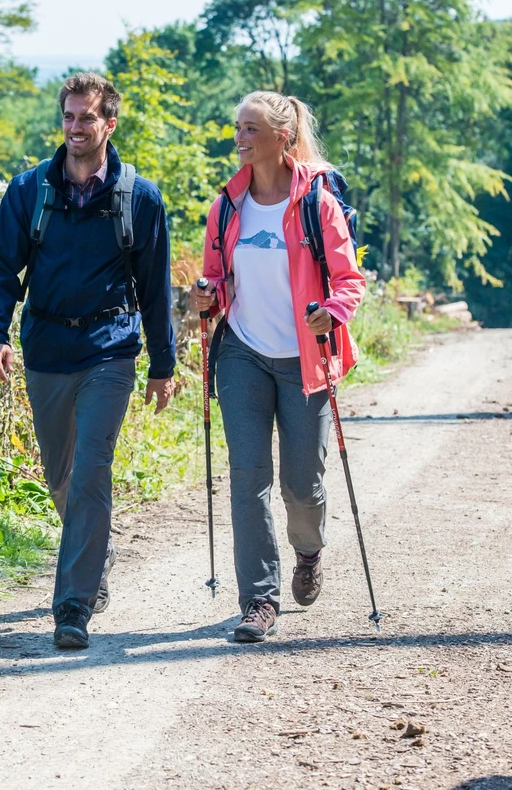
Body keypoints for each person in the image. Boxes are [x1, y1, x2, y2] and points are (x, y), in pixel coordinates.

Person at [0, 72, 176, 649]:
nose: (74, 127)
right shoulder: (30, 192)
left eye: (86, 117)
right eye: (68, 117)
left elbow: (156, 288)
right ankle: (96, 549)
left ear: (109, 124)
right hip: (45, 349)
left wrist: (162, 366)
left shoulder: (139, 198)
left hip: (109, 350)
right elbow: (0, 267)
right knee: (61, 476)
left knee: (91, 470)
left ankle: (72, 606)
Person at [191, 91, 365, 643]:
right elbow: (218, 278)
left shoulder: (317, 204)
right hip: (242, 352)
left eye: (250, 129)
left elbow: (349, 280)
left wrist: (331, 314)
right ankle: (258, 600)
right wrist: (206, 293)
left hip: (304, 360)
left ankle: (308, 551)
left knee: (302, 483)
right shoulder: (227, 206)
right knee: (248, 479)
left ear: (282, 137)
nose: (238, 137)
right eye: (237, 127)